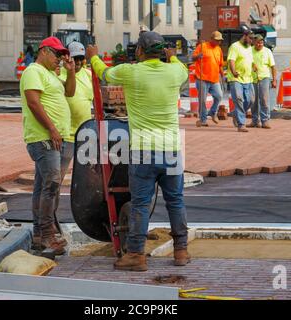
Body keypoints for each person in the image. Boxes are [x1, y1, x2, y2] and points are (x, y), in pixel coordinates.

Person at [86, 31, 189, 272]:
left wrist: (93, 56)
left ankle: (135, 255)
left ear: (140, 51)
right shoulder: (176, 71)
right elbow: (181, 68)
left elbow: (104, 73)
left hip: (143, 149)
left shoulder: (131, 72)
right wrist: (172, 57)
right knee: (176, 200)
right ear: (162, 52)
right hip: (172, 148)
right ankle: (181, 251)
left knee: (141, 203)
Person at [20, 36, 76, 255]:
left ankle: (38, 234)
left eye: (62, 55)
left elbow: (70, 92)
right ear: (43, 51)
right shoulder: (33, 71)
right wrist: (52, 129)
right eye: (56, 54)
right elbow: (33, 102)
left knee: (42, 185)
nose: (60, 59)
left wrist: (71, 71)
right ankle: (47, 235)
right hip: (43, 138)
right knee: (51, 184)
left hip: (55, 138)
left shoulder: (51, 74)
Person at [57, 41, 93, 173]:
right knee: (59, 173)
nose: (77, 61)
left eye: (80, 58)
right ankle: (54, 194)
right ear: (68, 57)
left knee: (86, 174)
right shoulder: (59, 73)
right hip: (66, 135)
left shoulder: (88, 74)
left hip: (86, 133)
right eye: (74, 58)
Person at [192, 31, 225, 127]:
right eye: (217, 40)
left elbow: (220, 64)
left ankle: (212, 112)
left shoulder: (219, 49)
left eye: (220, 40)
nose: (219, 42)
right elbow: (193, 58)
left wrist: (222, 75)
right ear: (212, 39)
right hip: (202, 78)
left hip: (214, 79)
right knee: (202, 99)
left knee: (219, 96)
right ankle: (203, 119)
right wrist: (198, 56)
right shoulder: (202, 46)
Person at [227, 29, 256, 132]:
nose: (252, 41)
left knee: (251, 100)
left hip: (248, 78)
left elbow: (250, 60)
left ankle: (236, 113)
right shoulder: (235, 46)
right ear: (244, 36)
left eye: (253, 39)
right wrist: (234, 71)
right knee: (239, 99)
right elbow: (231, 60)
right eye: (250, 38)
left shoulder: (249, 48)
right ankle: (241, 124)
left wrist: (254, 65)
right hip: (236, 78)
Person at [250, 34, 277, 129]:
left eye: (261, 42)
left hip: (264, 78)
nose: (260, 44)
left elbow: (273, 67)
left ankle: (265, 120)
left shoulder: (267, 51)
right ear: (254, 42)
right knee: (253, 101)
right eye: (258, 42)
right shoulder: (249, 51)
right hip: (252, 79)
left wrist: (274, 80)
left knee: (264, 100)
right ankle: (255, 121)